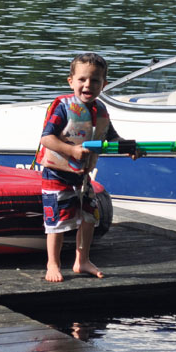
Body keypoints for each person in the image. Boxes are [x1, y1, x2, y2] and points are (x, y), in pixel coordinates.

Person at [36, 52, 138, 282]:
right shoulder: (62, 107)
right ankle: (53, 263)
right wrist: (71, 150)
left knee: (89, 218)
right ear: (71, 81)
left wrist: (130, 148)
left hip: (82, 177)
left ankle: (82, 261)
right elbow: (46, 139)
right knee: (57, 222)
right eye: (82, 79)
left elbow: (112, 139)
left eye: (95, 80)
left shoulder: (100, 110)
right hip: (56, 174)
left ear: (104, 84)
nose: (87, 85)